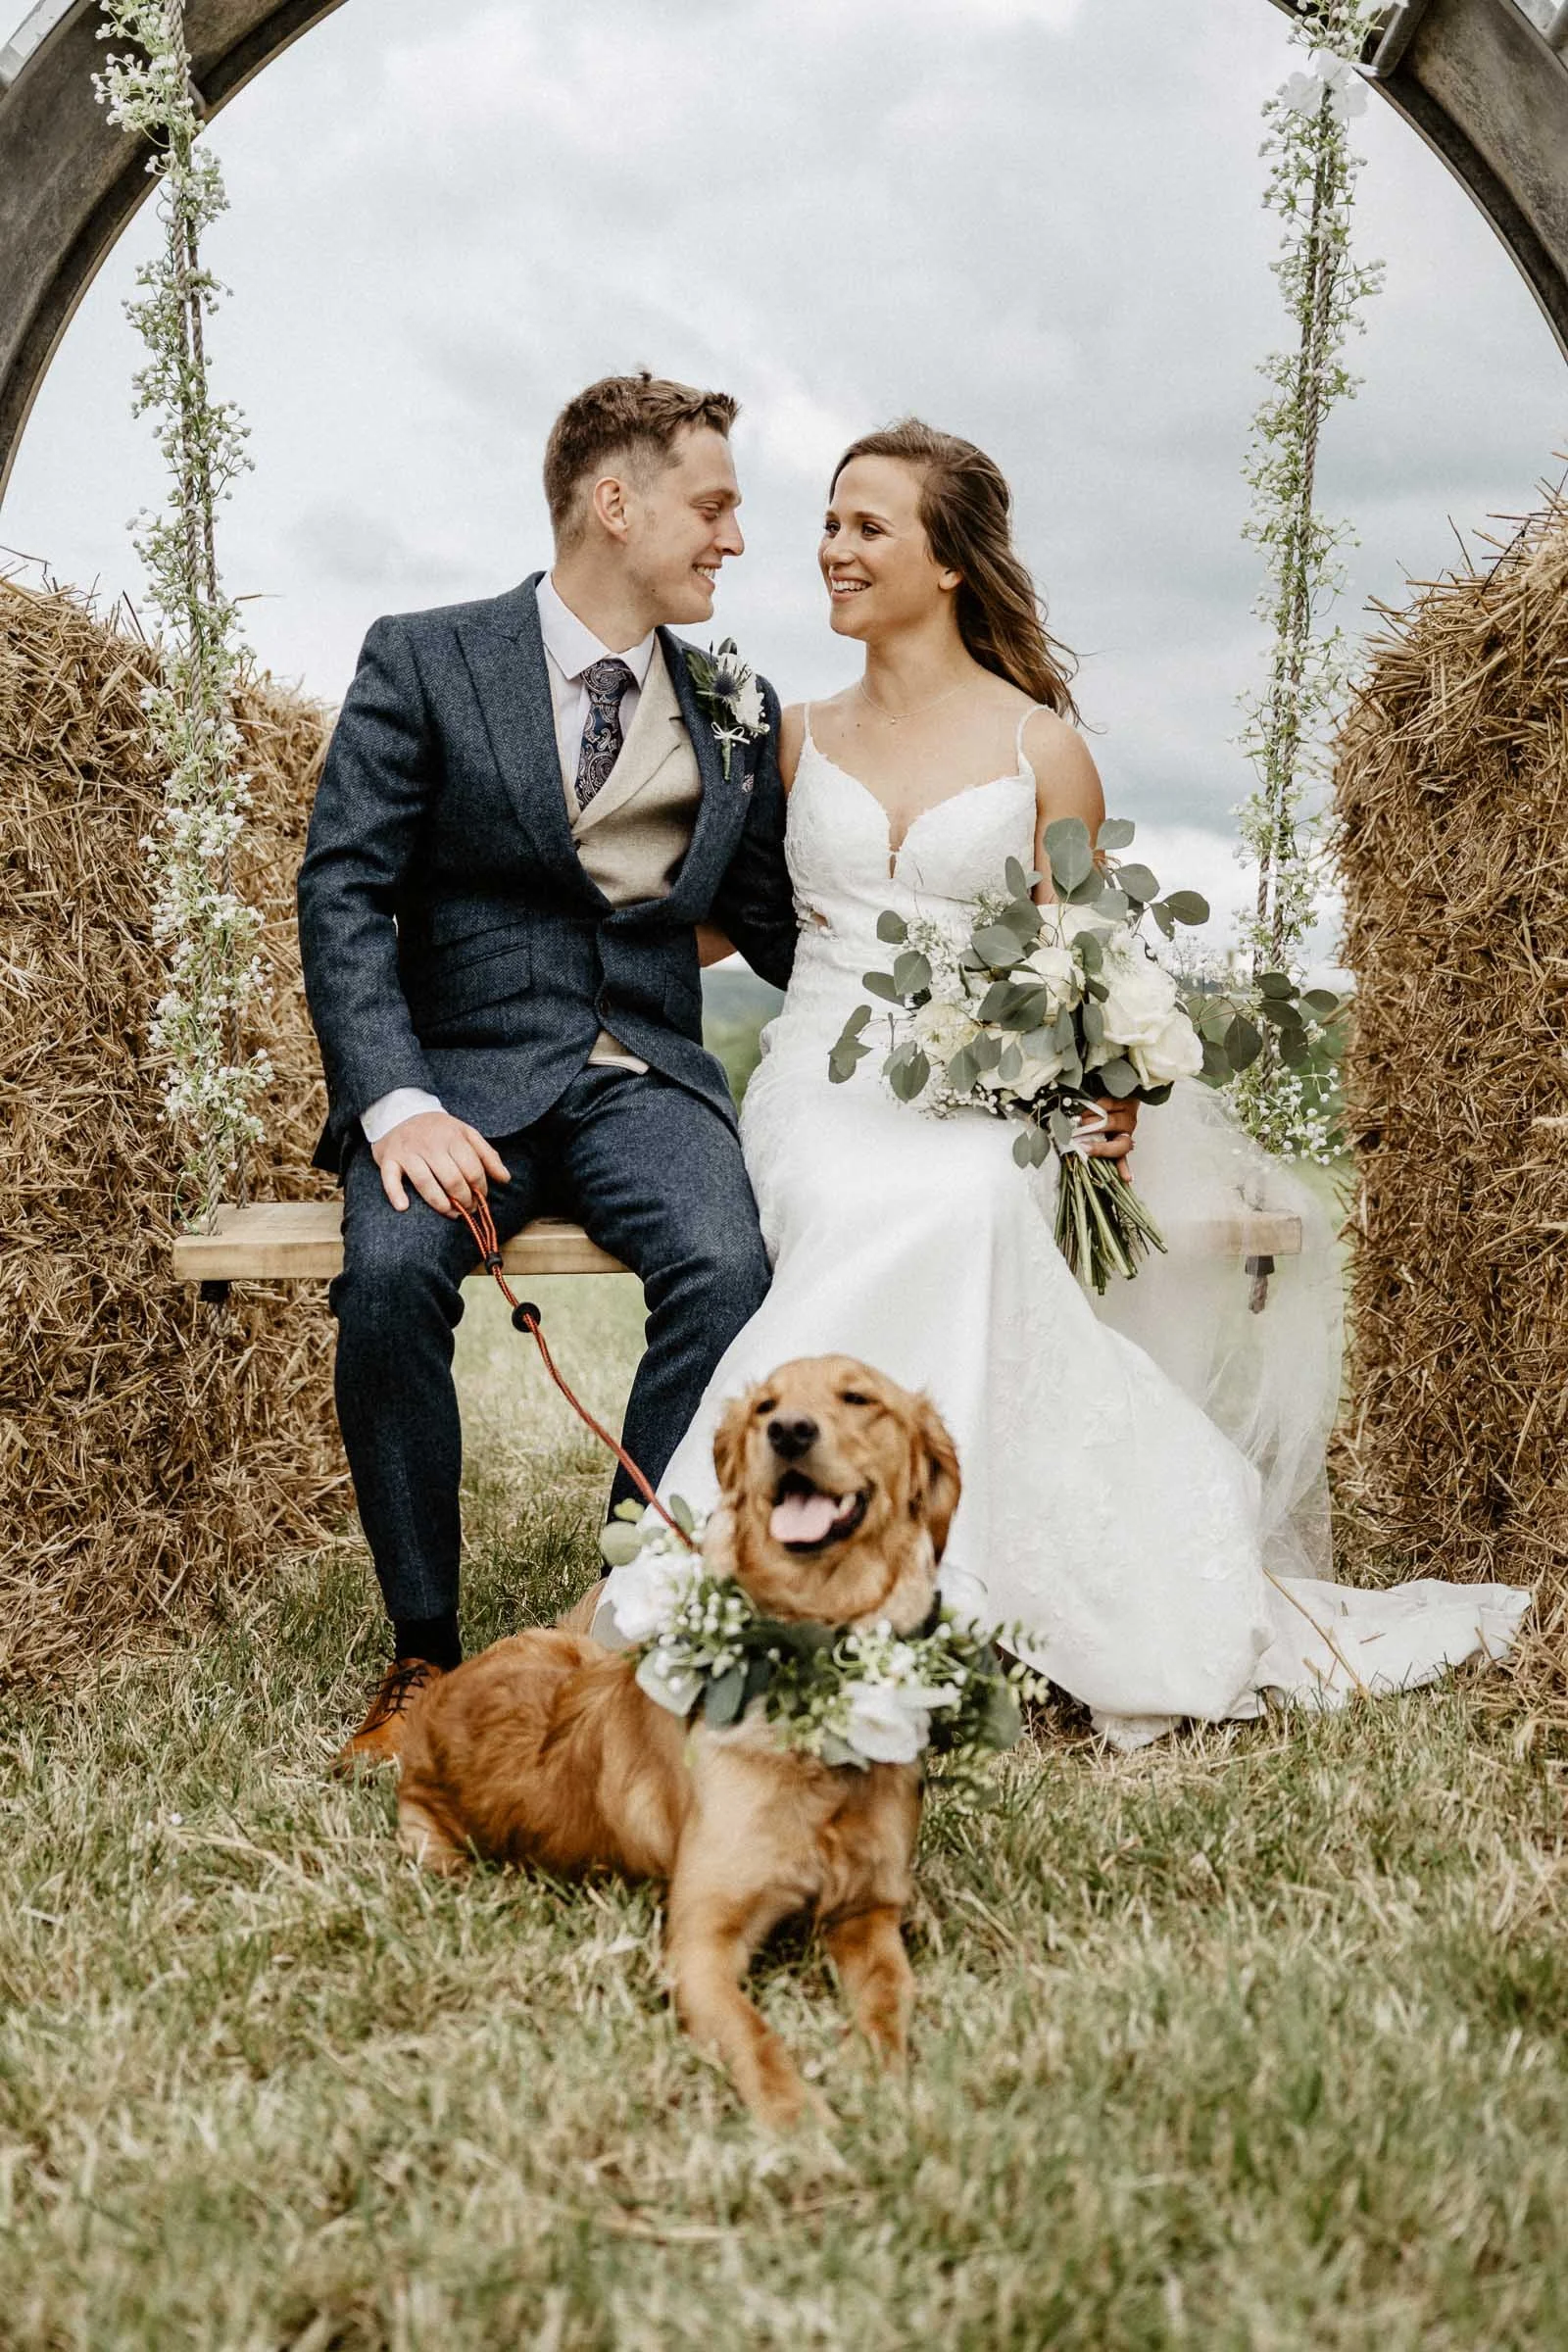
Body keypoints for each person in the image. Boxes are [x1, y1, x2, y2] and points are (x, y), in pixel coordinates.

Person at [591, 418, 1529, 1745]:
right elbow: (721, 915)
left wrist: (1112, 1085)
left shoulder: (1046, 751)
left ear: (951, 562)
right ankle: (767, 1589)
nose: (834, 550)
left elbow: (1086, 954)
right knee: (882, 1207)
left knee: (974, 1202)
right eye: (832, 525)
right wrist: (545, 950)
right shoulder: (786, 737)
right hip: (824, 1075)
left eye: (870, 527)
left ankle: (948, 1601)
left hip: (981, 1096)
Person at [297, 372, 802, 1769]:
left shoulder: (734, 702)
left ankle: (623, 1617)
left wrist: (972, 1021)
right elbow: (343, 892)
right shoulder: (425, 656)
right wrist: (396, 1102)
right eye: (713, 505)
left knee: (728, 1266)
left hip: (645, 1078)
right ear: (615, 501)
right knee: (393, 1280)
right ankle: (421, 1650)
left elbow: (783, 924)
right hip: (452, 1082)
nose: (734, 541)